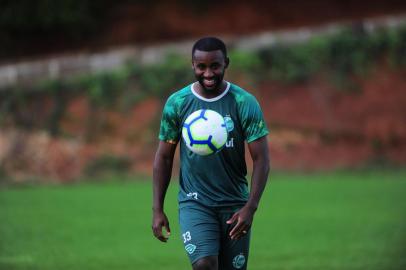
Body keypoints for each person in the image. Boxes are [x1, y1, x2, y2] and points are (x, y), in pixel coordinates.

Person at [152, 37, 270, 270]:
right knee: (205, 264)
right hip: (195, 203)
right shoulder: (178, 103)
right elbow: (164, 157)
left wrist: (251, 207)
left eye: (215, 66)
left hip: (235, 204)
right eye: (201, 66)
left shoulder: (244, 102)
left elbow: (261, 159)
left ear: (226, 63)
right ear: (192, 65)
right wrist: (157, 209)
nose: (208, 73)